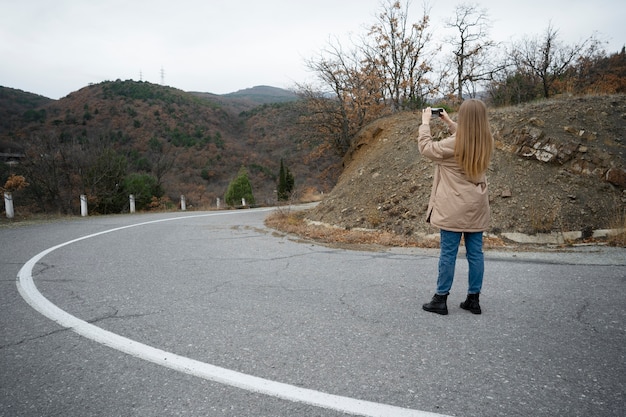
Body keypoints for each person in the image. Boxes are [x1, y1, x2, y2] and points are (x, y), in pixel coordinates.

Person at [417, 100, 494, 315]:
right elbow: (467, 136)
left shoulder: (455, 143)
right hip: (477, 205)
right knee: (475, 253)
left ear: (466, 117)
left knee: (448, 253)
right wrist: (450, 122)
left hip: (453, 206)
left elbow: (426, 148)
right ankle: (473, 299)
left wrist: (425, 123)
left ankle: (440, 299)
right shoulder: (485, 140)